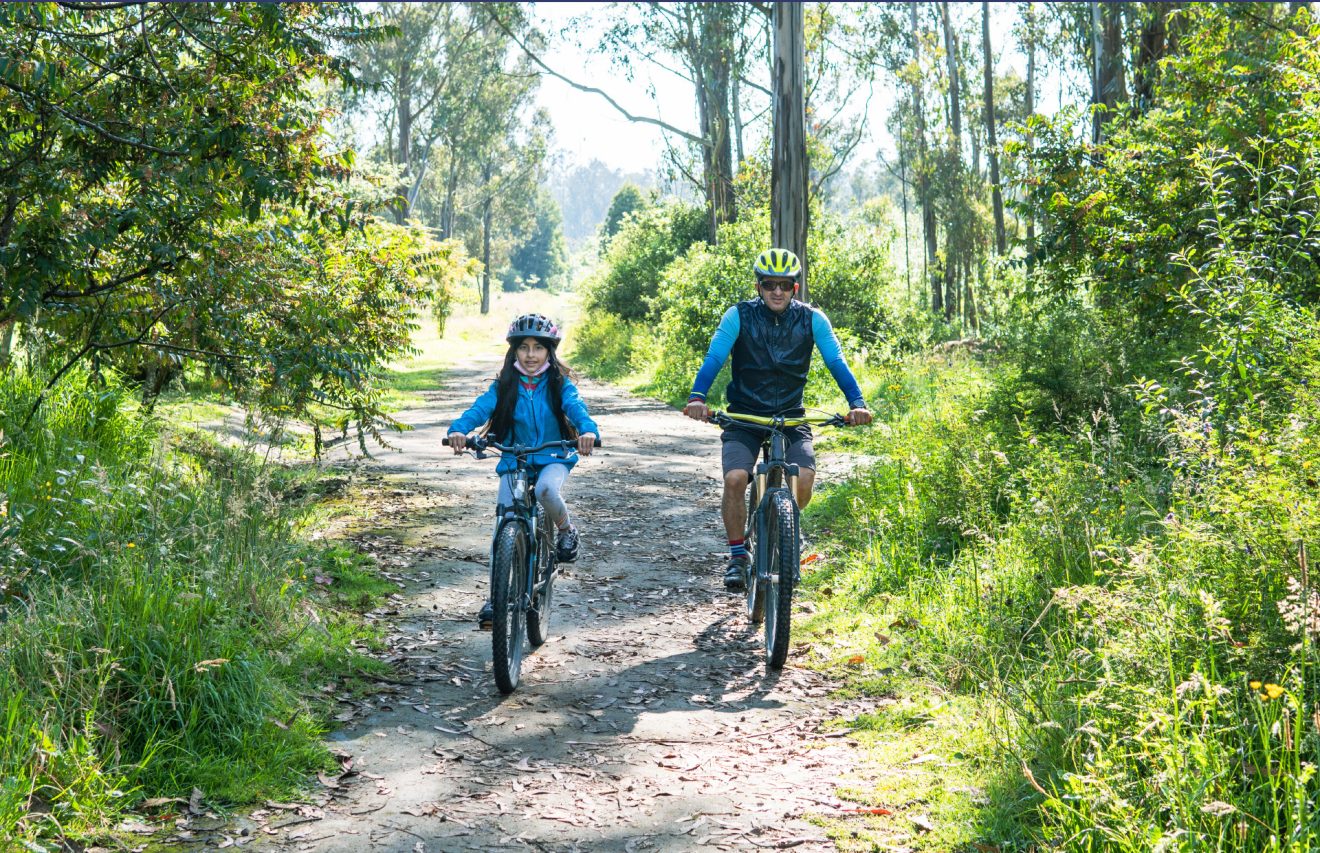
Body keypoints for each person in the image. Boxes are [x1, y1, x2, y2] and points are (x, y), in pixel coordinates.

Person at [682, 248, 872, 591]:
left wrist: (857, 403)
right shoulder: (738, 316)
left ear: (795, 288)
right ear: (759, 286)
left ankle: (784, 525)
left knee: (805, 479)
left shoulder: (813, 320)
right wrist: (698, 397)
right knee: (737, 478)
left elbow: (837, 363)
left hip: (790, 417)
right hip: (744, 416)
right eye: (770, 284)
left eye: (785, 285)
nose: (777, 292)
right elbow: (714, 358)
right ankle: (739, 555)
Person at [447, 313, 599, 629]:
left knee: (545, 491)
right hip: (515, 458)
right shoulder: (505, 385)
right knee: (505, 519)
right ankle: (496, 596)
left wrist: (587, 432)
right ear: (514, 351)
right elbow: (478, 410)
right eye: (524, 348)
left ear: (549, 352)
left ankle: (566, 529)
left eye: (538, 348)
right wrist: (459, 430)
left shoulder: (559, 384)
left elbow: (577, 410)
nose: (531, 355)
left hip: (553, 455)